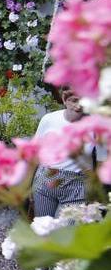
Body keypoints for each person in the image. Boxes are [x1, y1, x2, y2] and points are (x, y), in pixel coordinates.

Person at [31, 88, 95, 217]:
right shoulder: (48, 120)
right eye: (74, 100)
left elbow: (102, 159)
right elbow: (34, 153)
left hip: (77, 185)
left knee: (66, 235)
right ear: (65, 100)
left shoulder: (94, 125)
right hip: (45, 181)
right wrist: (28, 187)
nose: (78, 106)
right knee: (44, 231)